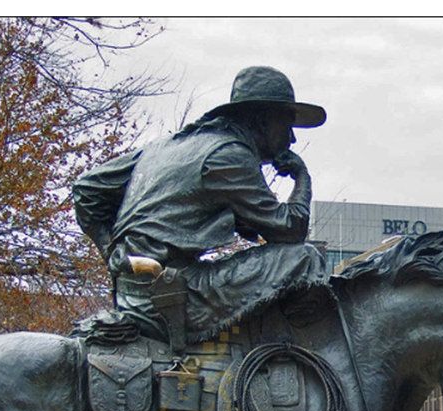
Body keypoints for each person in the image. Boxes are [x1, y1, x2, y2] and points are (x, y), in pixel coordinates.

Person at [73, 66, 329, 343]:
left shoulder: (165, 146)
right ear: (262, 120)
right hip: (175, 296)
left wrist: (116, 257)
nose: (291, 139)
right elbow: (291, 231)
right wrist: (302, 177)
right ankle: (295, 349)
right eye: (287, 124)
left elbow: (87, 189)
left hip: (131, 291)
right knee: (305, 257)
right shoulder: (230, 155)